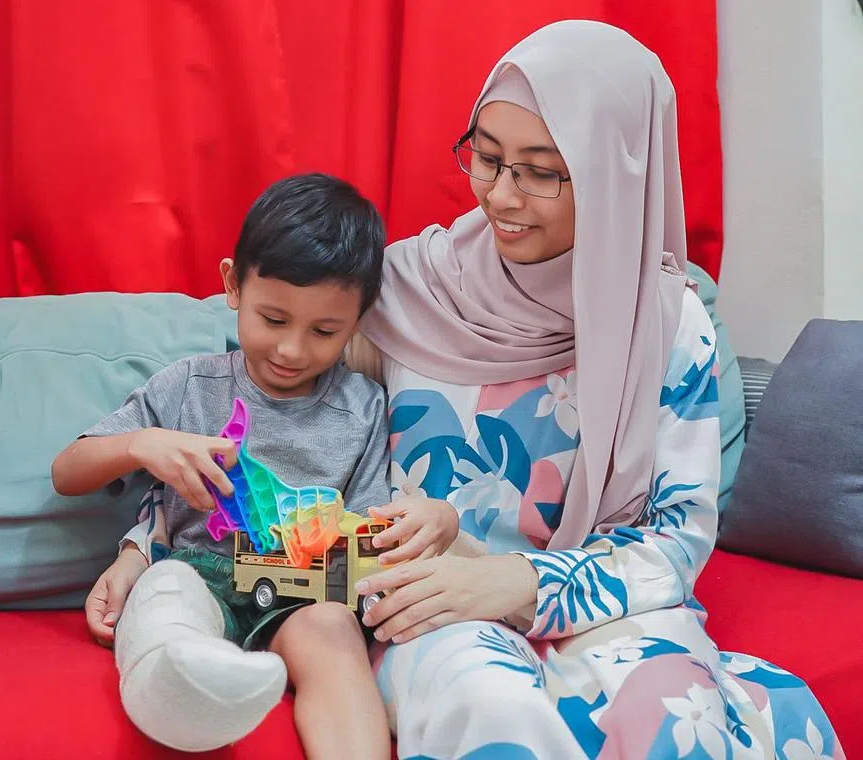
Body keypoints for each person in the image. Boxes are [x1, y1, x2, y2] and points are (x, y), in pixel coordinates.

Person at [344, 19, 844, 760]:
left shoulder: (667, 323)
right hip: (435, 603)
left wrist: (523, 583)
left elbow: (677, 538)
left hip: (610, 606)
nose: (500, 195)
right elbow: (302, 431)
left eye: (540, 172)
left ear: (618, 171)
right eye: (487, 158)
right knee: (489, 708)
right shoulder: (404, 291)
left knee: (674, 716)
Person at [52, 173, 435, 759]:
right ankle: (196, 689)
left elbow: (365, 531)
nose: (292, 350)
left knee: (332, 630)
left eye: (324, 331)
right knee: (166, 593)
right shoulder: (189, 386)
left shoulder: (363, 409)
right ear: (233, 285)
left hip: (305, 596)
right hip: (197, 572)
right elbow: (67, 471)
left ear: (359, 320)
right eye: (273, 319)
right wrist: (141, 444)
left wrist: (401, 531)